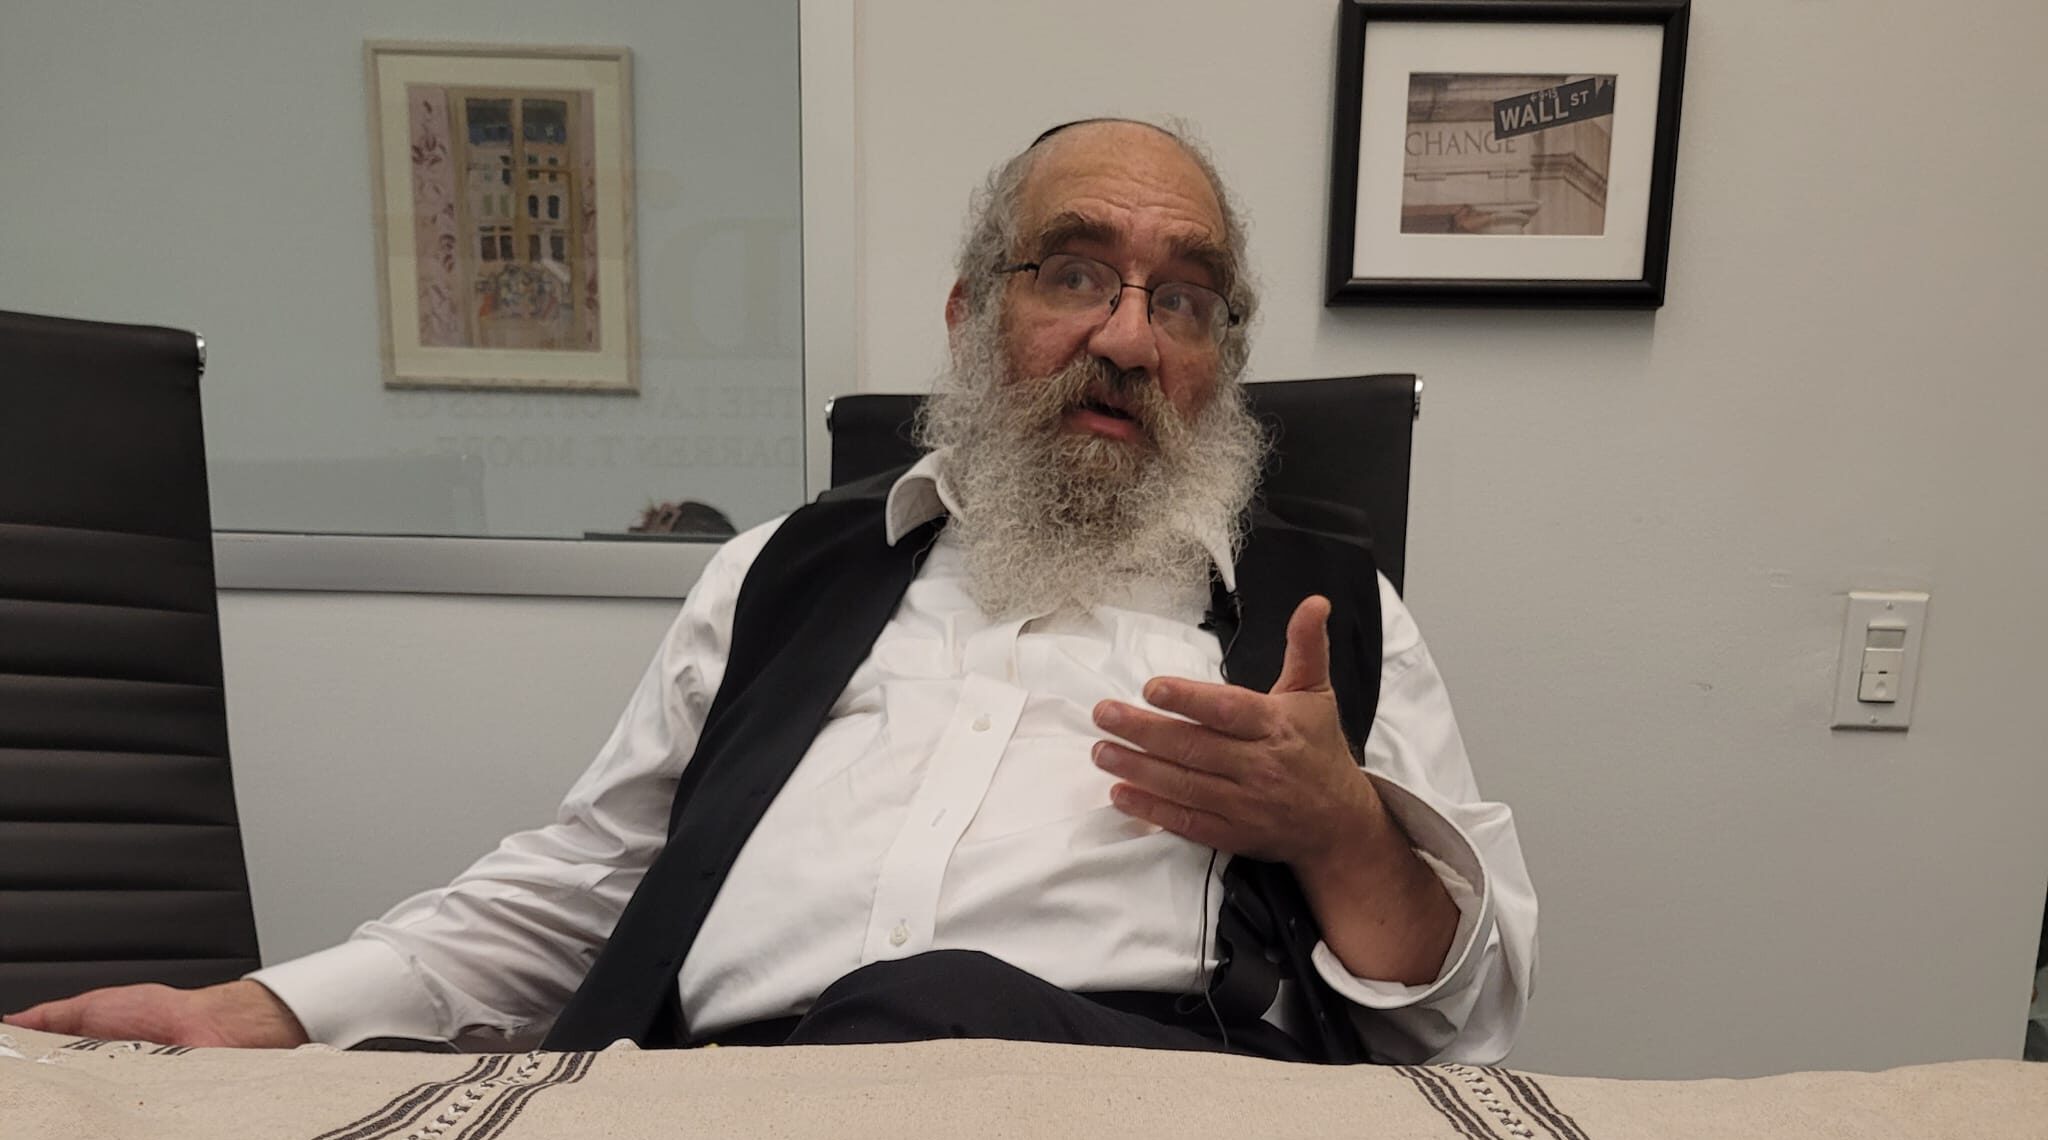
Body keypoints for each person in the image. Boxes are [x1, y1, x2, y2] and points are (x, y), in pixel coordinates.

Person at [5, 118, 1535, 1064]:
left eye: (1183, 298)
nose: (1129, 337)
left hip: (1137, 1094)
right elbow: (583, 891)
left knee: (936, 1007)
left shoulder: (1327, 610)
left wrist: (1339, 833)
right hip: (727, 1094)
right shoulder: (784, 575)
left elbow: (1454, 1019)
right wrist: (267, 1010)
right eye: (1074, 275)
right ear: (968, 315)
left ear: (1221, 360)